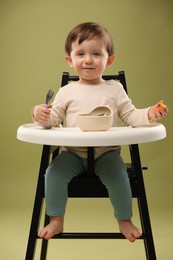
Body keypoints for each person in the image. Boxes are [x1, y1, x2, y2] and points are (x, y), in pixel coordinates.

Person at [32, 22, 168, 242]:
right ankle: (56, 219)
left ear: (109, 59)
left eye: (96, 53)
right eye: (81, 54)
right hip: (72, 154)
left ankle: (124, 220)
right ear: (70, 59)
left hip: (107, 153)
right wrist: (40, 113)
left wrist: (150, 114)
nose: (88, 60)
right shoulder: (67, 91)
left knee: (119, 178)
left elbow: (131, 116)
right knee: (52, 174)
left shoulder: (114, 89)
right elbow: (53, 119)